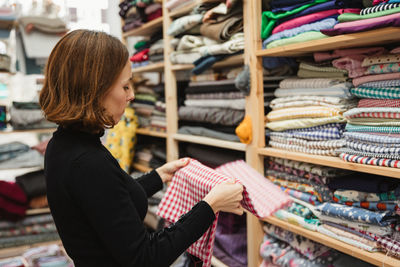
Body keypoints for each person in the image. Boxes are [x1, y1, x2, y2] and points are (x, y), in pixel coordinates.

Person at [39, 29, 244, 267]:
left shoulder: (64, 144)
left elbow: (107, 204)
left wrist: (159, 176)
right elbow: (146, 258)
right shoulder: (87, 161)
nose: (132, 95)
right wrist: (211, 205)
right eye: (125, 86)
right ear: (95, 90)